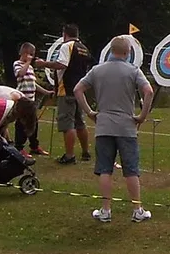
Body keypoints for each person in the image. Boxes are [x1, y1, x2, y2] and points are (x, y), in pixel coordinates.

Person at [74, 34, 154, 223]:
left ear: (110, 51)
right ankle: (137, 209)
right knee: (131, 170)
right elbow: (148, 91)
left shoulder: (97, 70)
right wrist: (142, 116)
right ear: (127, 52)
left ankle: (105, 210)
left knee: (105, 169)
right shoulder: (133, 71)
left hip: (103, 126)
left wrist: (90, 112)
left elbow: (78, 89)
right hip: (126, 127)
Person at [46, 22, 92, 165]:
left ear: (65, 34)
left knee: (68, 124)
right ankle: (85, 153)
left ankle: (69, 155)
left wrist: (44, 64)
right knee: (80, 123)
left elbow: (62, 64)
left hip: (66, 90)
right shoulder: (84, 48)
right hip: (79, 90)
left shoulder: (67, 46)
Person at [11, 42, 49, 157]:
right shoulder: (17, 64)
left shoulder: (31, 67)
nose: (32, 57)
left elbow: (33, 83)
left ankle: (34, 146)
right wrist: (27, 62)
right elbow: (20, 74)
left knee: (34, 124)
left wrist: (46, 92)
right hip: (22, 100)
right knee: (22, 124)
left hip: (31, 100)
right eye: (30, 54)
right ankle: (19, 147)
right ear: (24, 53)